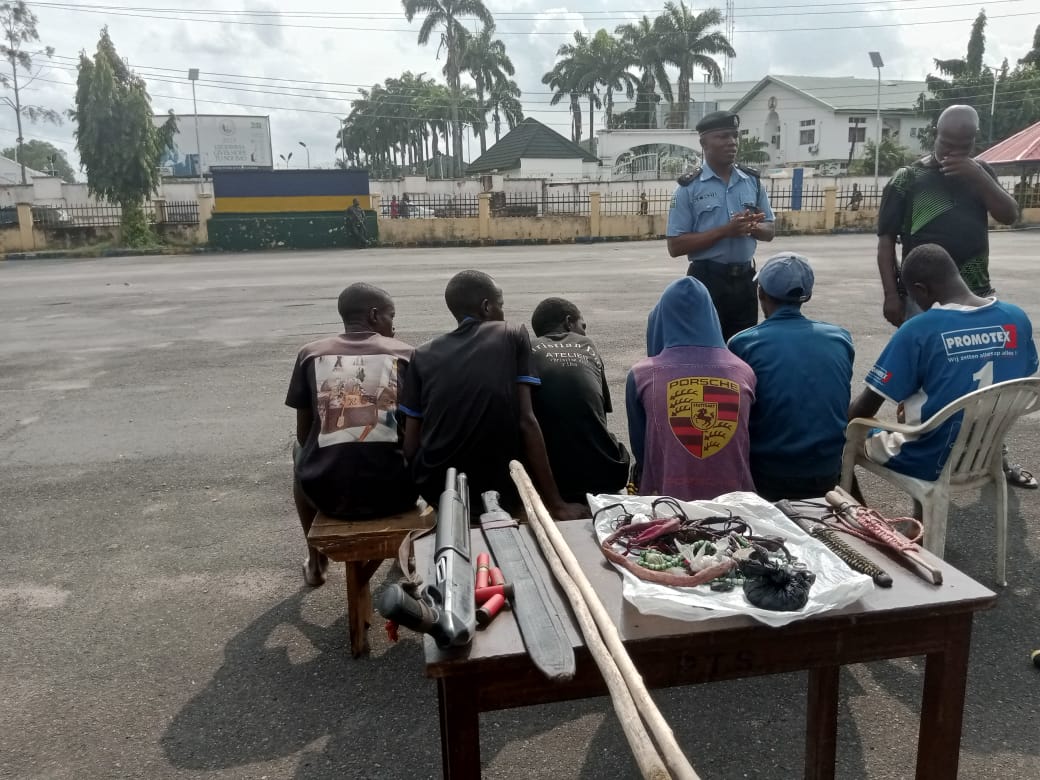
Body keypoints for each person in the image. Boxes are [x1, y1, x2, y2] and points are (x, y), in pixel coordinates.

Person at [875, 104, 1033, 487]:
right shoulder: (908, 178)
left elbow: (1010, 215)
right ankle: (921, 454)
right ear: (936, 134)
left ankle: (992, 454)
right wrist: (892, 295)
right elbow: (885, 243)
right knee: (922, 382)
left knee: (990, 385)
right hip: (923, 298)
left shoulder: (983, 174)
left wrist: (977, 177)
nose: (953, 152)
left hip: (976, 291)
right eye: (947, 143)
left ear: (974, 140)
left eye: (963, 145)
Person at [400, 271, 586, 520]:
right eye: (501, 305)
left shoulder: (422, 354)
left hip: (439, 488)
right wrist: (557, 504)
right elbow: (526, 420)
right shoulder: (511, 334)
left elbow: (411, 444)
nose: (503, 312)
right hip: (499, 491)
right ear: (487, 307)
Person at [849, 244, 1037, 487]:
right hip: (985, 453)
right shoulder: (1016, 317)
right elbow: (1019, 378)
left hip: (929, 458)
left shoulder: (920, 329)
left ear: (920, 289)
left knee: (847, 431)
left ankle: (859, 517)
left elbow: (865, 408)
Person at [286, 283, 419, 586]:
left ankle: (317, 559)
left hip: (328, 496)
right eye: (390, 316)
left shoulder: (310, 354)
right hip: (397, 493)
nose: (393, 325)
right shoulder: (408, 354)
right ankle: (408, 553)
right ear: (374, 315)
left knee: (298, 453)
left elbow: (304, 433)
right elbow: (419, 429)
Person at [728, 252, 854, 500]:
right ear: (806, 295)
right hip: (826, 470)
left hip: (767, 474)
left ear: (760, 293)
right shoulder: (840, 338)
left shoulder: (743, 344)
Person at [626, 277, 756, 500]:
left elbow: (642, 450)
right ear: (712, 316)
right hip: (737, 504)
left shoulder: (641, 375)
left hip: (667, 504)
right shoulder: (744, 372)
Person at [666, 110, 776, 341]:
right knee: (704, 346)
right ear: (704, 143)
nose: (732, 143)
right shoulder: (688, 188)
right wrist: (726, 231)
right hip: (706, 280)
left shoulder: (752, 181)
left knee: (742, 347)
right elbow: (675, 246)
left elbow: (770, 230)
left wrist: (752, 228)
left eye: (735, 136)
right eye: (723, 136)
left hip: (746, 279)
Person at [529, 297, 631, 502]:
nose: (584, 332)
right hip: (606, 476)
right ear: (569, 322)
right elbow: (599, 416)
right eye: (582, 325)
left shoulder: (529, 349)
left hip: (553, 478)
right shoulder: (586, 344)